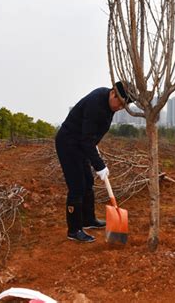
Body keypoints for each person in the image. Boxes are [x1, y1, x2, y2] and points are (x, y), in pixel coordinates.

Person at [56, 81, 134, 243]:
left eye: (124, 105)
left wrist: (94, 145)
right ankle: (74, 230)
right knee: (77, 186)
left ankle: (88, 219)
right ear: (113, 93)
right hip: (69, 143)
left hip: (83, 143)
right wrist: (99, 165)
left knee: (88, 181)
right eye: (120, 103)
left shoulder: (109, 103)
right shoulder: (96, 104)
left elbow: (93, 132)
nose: (120, 107)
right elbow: (86, 138)